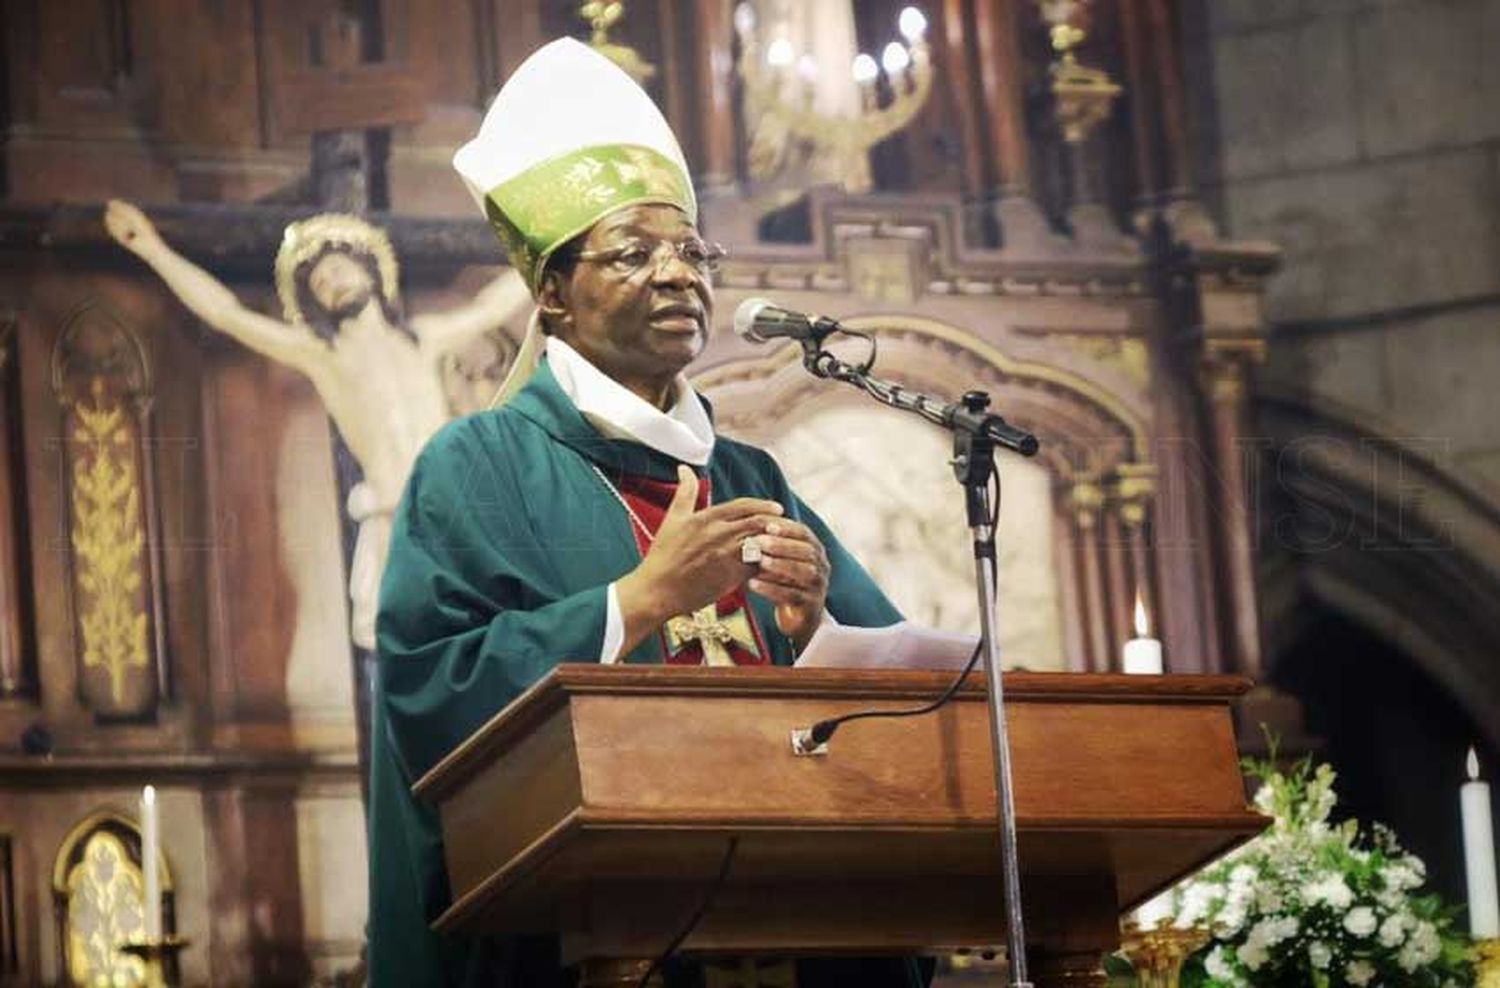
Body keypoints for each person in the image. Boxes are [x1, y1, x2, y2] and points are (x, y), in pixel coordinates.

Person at [370, 38, 926, 988]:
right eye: (634, 253)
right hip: (588, 934)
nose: (679, 275)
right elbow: (427, 691)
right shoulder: (478, 465)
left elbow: (904, 688)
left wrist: (811, 631)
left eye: (691, 251)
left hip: (784, 908)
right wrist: (632, 603)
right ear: (551, 292)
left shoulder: (750, 470)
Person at [104, 202, 530, 648]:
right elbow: (226, 313)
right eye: (321, 283)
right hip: (396, 517)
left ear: (369, 272)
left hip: (457, 509)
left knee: (495, 632)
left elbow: (491, 306)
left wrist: (542, 246)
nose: (332, 283)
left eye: (340, 269)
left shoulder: (423, 339)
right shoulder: (324, 356)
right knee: (421, 649)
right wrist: (152, 249)